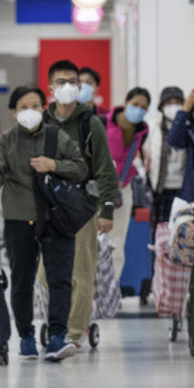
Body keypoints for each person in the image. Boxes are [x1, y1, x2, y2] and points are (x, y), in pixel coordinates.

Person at [0, 86, 88, 361]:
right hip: (18, 218)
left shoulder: (55, 136)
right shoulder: (7, 141)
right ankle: (25, 336)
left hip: (55, 217)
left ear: (43, 108)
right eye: (23, 107)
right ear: (14, 112)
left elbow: (81, 167)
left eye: (36, 106)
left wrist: (54, 165)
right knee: (22, 279)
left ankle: (58, 336)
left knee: (59, 279)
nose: (30, 112)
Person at [39, 60, 117, 349]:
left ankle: (72, 333)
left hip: (82, 207)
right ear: (50, 87)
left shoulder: (89, 123)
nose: (68, 87)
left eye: (73, 81)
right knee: (45, 274)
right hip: (46, 207)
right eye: (61, 82)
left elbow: (106, 169)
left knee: (80, 271)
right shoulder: (42, 122)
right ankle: (60, 323)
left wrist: (106, 209)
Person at [103, 87, 151, 278]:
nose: (138, 110)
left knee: (117, 244)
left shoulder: (142, 131)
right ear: (125, 102)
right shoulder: (102, 122)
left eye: (144, 107)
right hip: (98, 191)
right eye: (135, 104)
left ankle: (111, 293)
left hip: (123, 191)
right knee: (93, 244)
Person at [145, 87, 187, 226]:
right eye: (169, 103)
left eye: (177, 102)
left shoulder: (188, 127)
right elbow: (143, 154)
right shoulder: (152, 127)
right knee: (160, 234)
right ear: (162, 107)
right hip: (159, 188)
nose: (173, 106)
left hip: (184, 188)